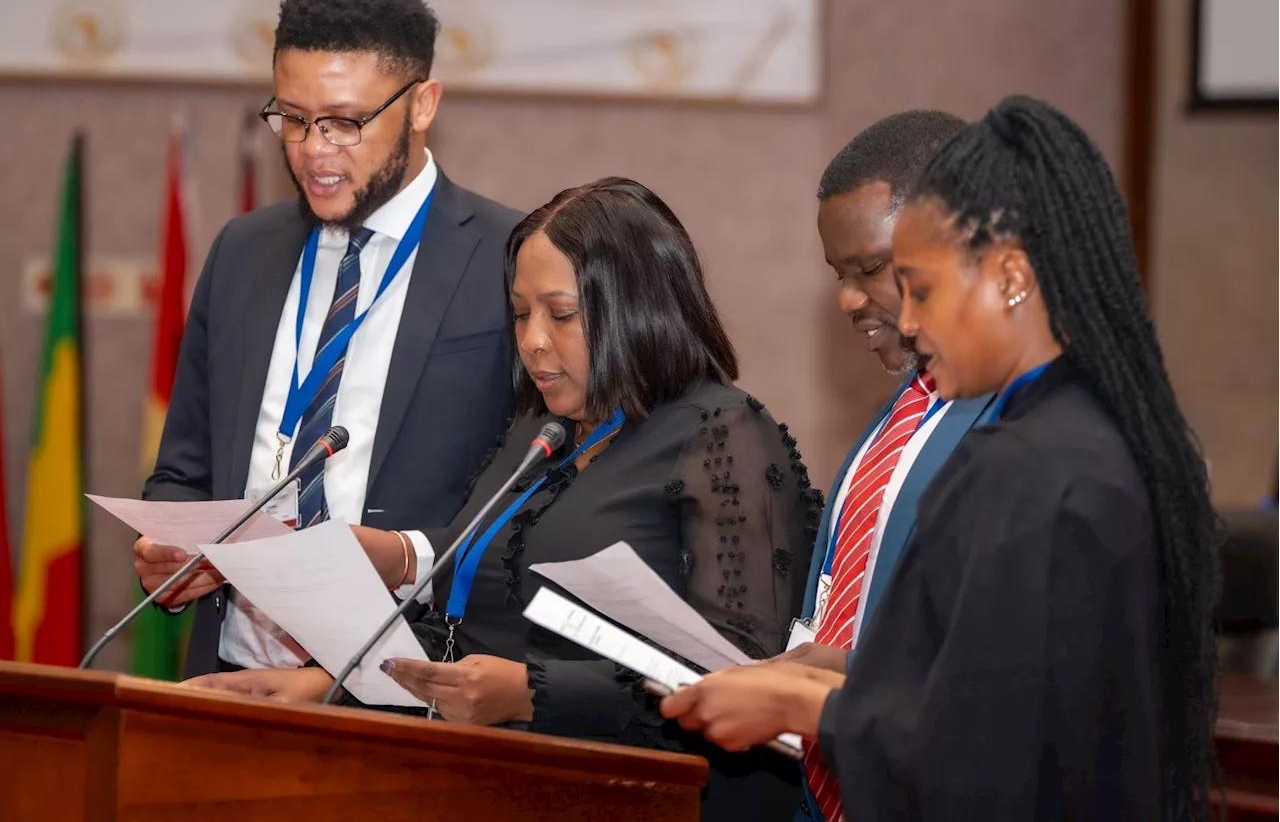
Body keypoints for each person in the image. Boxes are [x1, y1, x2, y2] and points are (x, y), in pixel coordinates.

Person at [185, 177, 824, 820]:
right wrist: (328, 687)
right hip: (485, 783)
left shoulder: (723, 432)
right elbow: (470, 620)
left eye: (561, 314)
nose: (532, 340)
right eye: (521, 313)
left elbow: (744, 672)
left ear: (640, 306)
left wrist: (530, 694)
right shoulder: (541, 433)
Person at [660, 95, 1221, 822]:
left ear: (1012, 277)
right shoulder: (1086, 432)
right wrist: (853, 674)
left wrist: (806, 703)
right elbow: (1008, 690)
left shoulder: (1028, 467)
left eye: (920, 287)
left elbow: (988, 763)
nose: (912, 320)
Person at [135, 0, 522, 678]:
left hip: (409, 691)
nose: (314, 149)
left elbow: (531, 510)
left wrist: (405, 557)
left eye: (345, 121)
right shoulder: (241, 251)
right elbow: (184, 468)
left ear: (423, 105)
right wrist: (170, 543)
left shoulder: (510, 259)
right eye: (291, 117)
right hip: (229, 674)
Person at [786, 112, 996, 820]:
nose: (848, 299)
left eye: (870, 269)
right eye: (838, 275)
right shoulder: (895, 419)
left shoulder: (1020, 429)